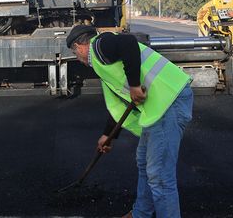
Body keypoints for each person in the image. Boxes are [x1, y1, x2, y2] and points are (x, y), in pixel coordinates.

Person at [66, 25, 194, 218]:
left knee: (159, 176)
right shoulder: (103, 62)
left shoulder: (99, 45)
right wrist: (109, 135)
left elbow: (128, 42)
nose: (77, 58)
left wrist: (134, 85)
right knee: (144, 162)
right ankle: (140, 213)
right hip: (157, 109)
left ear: (79, 46)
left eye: (75, 53)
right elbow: (119, 102)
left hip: (170, 102)